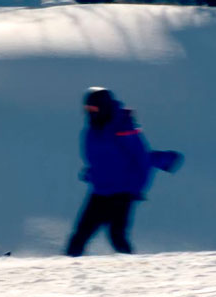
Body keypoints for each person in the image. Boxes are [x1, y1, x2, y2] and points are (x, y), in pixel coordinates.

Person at [66, 87, 182, 257]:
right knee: (80, 236)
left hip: (123, 191)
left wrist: (135, 189)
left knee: (116, 235)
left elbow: (141, 158)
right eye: (87, 109)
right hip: (100, 190)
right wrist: (93, 173)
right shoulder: (91, 130)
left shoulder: (124, 128)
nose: (90, 113)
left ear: (104, 107)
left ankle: (132, 271)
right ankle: (68, 273)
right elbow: (102, 158)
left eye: (94, 109)